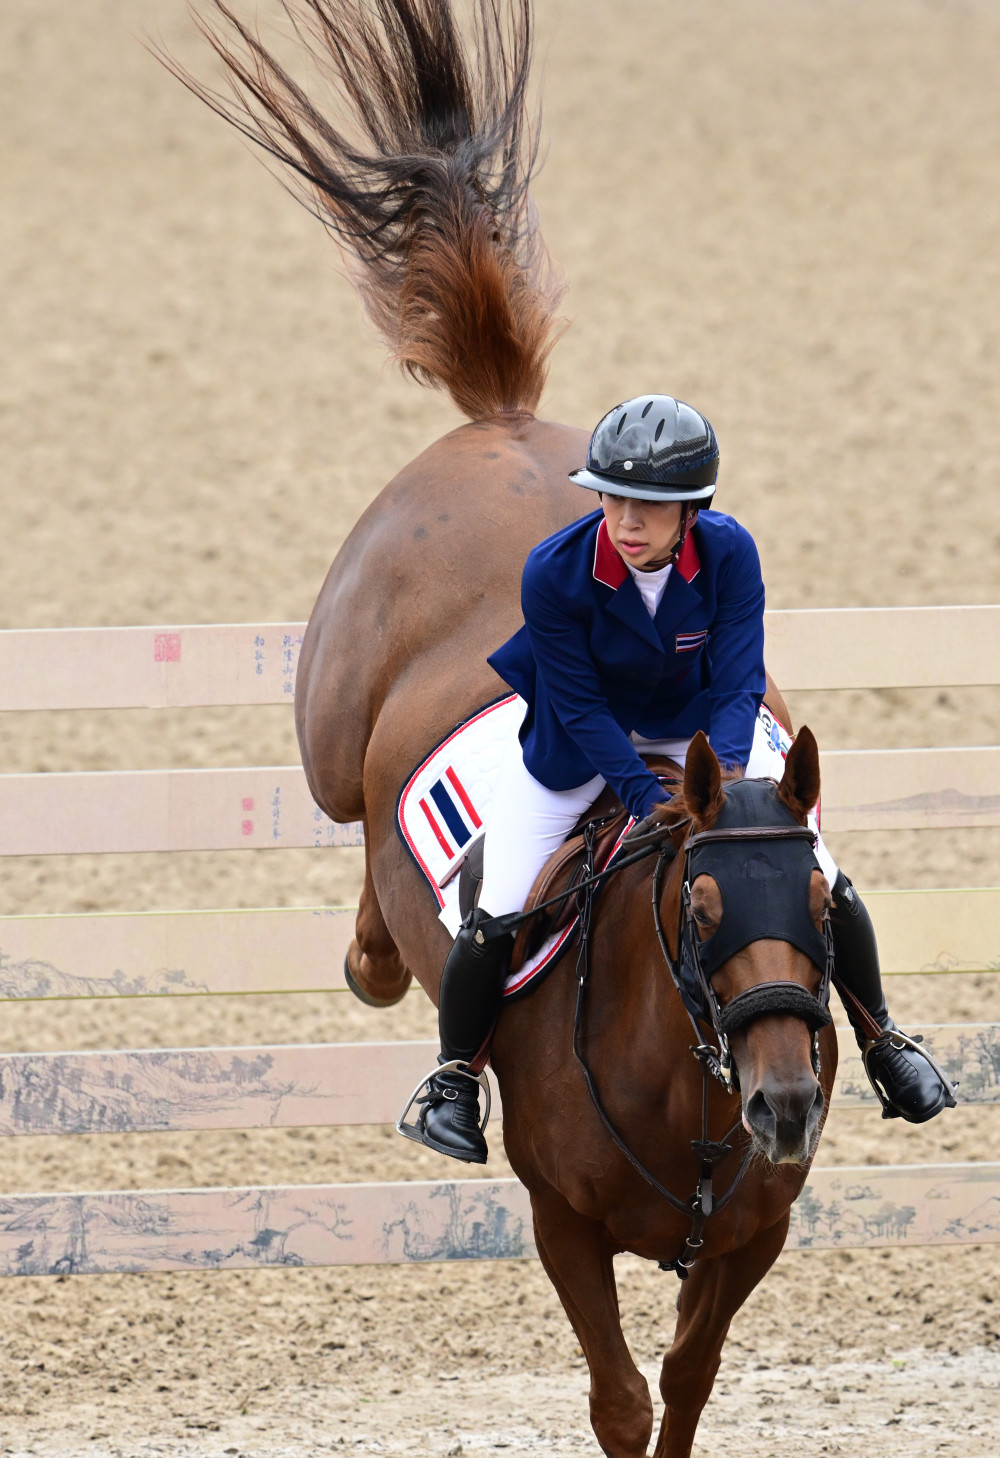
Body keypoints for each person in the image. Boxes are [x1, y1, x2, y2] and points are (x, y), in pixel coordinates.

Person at [404, 395, 954, 1163]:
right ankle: (455, 1078)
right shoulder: (555, 572)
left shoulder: (731, 554)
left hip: (703, 729)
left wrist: (723, 786)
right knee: (497, 906)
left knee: (827, 876)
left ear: (691, 511)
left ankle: (883, 1039)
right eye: (614, 497)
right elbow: (582, 708)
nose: (627, 521)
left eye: (651, 507)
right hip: (577, 741)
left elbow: (737, 683)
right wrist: (641, 795)